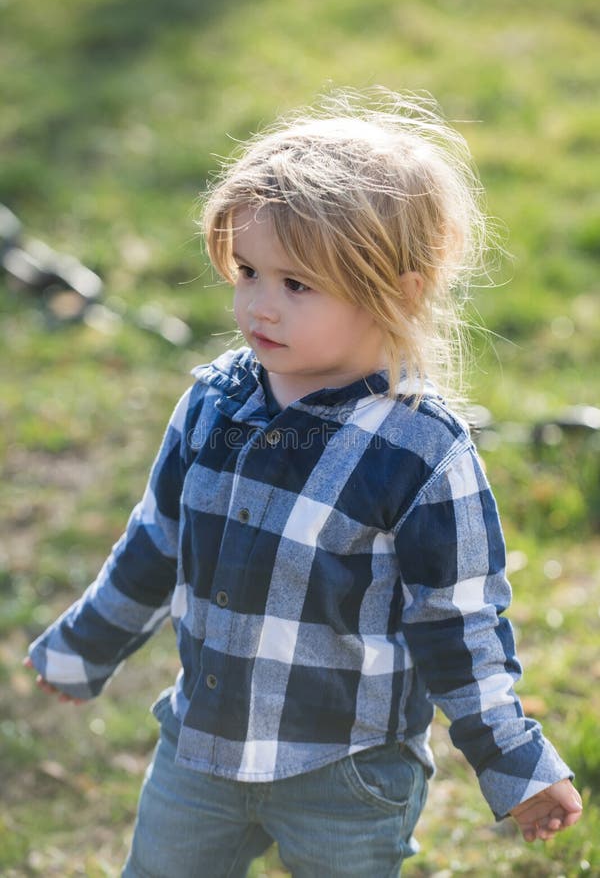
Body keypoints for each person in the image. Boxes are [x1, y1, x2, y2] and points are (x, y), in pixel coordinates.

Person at [25, 88, 582, 877]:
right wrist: (86, 646)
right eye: (249, 270)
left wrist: (516, 764)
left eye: (298, 285)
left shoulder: (421, 453)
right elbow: (158, 537)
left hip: (345, 775)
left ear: (402, 290)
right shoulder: (216, 401)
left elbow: (459, 626)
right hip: (201, 750)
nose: (259, 304)